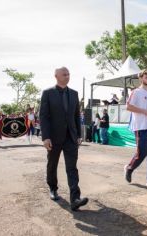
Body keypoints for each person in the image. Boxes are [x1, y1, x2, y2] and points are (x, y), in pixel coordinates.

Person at [40, 67, 88, 211]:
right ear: (56, 76)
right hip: (54, 138)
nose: (67, 76)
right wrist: (46, 137)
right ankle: (53, 188)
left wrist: (79, 135)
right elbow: (44, 116)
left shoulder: (74, 94)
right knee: (52, 164)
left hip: (71, 137)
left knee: (72, 168)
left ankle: (75, 199)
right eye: (64, 74)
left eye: (68, 74)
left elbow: (76, 116)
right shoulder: (48, 93)